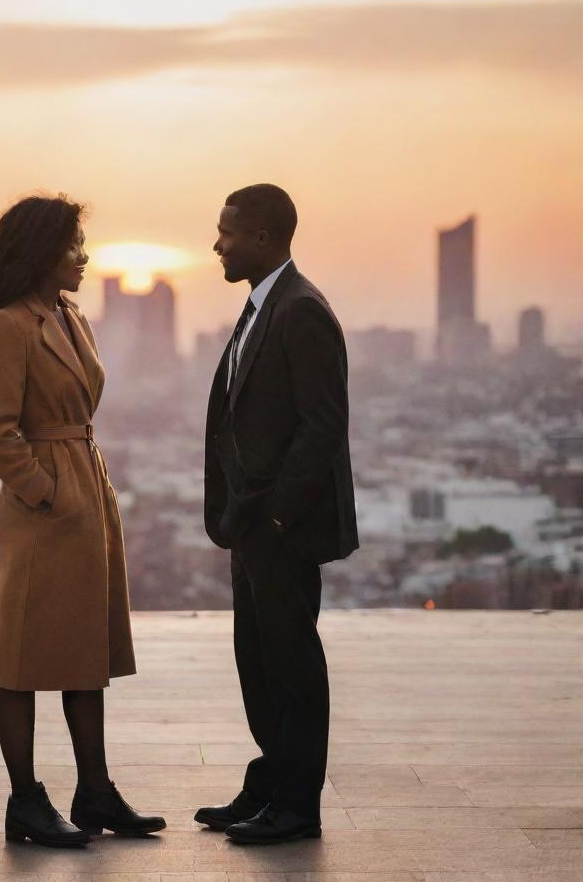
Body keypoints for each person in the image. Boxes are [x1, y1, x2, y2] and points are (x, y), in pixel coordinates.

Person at [0, 193, 166, 848]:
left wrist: (76, 490)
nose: (84, 257)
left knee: (85, 651)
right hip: (43, 507)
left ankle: (95, 791)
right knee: (21, 656)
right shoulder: (11, 324)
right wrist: (46, 491)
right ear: (43, 250)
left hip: (85, 487)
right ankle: (25, 800)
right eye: (74, 245)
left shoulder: (70, 314)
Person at [194, 183, 359, 845]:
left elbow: (323, 426)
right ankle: (270, 786)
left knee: (291, 662)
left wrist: (281, 518)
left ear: (263, 237)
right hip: (253, 524)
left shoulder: (300, 311)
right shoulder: (265, 305)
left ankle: (296, 806)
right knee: (257, 659)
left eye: (227, 231)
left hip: (279, 528)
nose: (217, 243)